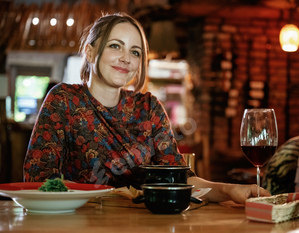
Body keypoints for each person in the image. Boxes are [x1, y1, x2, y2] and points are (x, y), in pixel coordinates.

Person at [23, 12, 269, 205]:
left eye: (135, 51)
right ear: (90, 51)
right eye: (115, 46)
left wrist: (229, 189)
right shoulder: (64, 100)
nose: (126, 59)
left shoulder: (149, 108)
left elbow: (180, 179)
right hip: (79, 222)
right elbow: (39, 181)